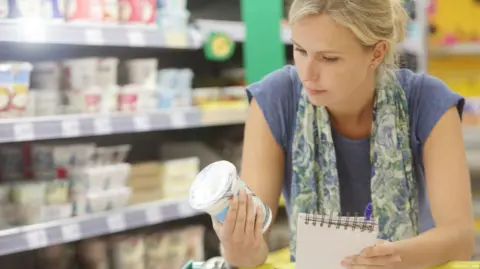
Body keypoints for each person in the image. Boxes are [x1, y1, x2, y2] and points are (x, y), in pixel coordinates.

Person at [212, 0, 475, 268]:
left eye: (329, 58)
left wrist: (394, 258)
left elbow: (460, 239)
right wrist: (238, 248)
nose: (308, 74)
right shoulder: (274, 99)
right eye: (300, 50)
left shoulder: (428, 100)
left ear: (377, 53)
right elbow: (254, 249)